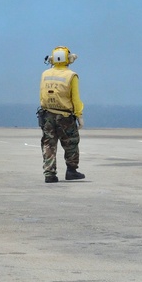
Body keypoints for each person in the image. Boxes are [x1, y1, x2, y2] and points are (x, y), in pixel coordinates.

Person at [38, 46, 85, 183]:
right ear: (68, 59)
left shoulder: (45, 74)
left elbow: (42, 94)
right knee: (71, 143)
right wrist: (79, 116)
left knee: (48, 144)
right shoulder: (71, 76)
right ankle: (71, 171)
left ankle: (49, 174)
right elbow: (75, 99)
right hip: (65, 116)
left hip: (47, 115)